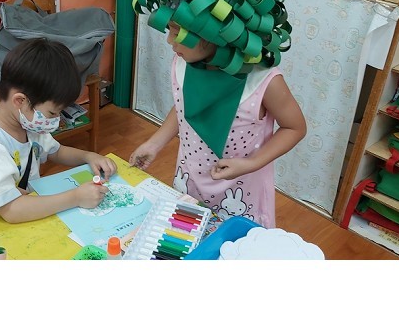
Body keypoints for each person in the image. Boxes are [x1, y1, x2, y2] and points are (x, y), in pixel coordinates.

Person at [129, 21, 307, 228]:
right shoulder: (183, 62)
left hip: (240, 192)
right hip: (189, 181)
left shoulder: (264, 80)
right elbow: (185, 107)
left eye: (178, 33)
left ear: (212, 34)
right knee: (187, 235)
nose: (169, 40)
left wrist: (252, 163)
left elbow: (295, 128)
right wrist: (154, 144)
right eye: (170, 31)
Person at [0, 37, 116, 223]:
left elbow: (56, 151)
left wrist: (89, 156)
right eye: (52, 113)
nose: (56, 120)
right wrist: (76, 198)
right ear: (20, 101)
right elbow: (12, 211)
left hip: (27, 209)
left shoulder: (25, 123)